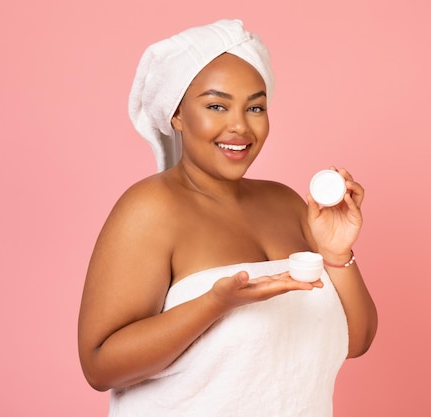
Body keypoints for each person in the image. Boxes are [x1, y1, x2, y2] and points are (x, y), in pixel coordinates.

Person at [78, 19, 377, 416]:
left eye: (255, 107)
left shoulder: (286, 203)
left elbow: (354, 340)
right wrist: (214, 304)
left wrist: (338, 254)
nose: (239, 125)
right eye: (216, 105)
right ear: (177, 115)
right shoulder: (151, 209)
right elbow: (100, 366)